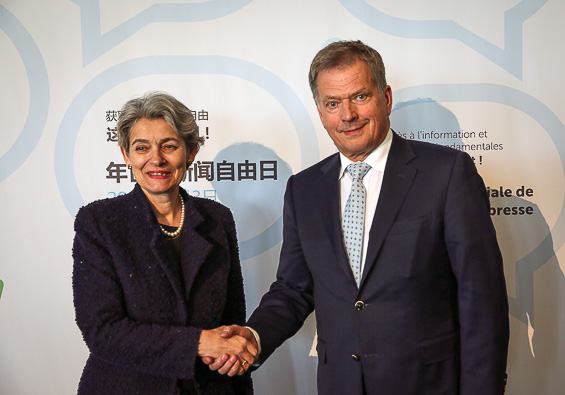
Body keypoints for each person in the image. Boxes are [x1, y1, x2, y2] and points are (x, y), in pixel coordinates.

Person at [205, 40, 510, 394]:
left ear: (387, 98)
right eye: (333, 103)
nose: (347, 115)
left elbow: (481, 297)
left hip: (429, 384)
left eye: (360, 97)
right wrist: (253, 337)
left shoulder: (447, 173)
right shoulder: (304, 189)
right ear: (320, 112)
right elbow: (293, 289)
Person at [72, 92, 256, 394]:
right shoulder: (99, 223)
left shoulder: (218, 219)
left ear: (191, 151)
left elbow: (232, 320)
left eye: (169, 146)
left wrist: (231, 356)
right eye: (141, 147)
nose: (156, 159)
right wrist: (198, 343)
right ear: (126, 156)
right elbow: (102, 330)